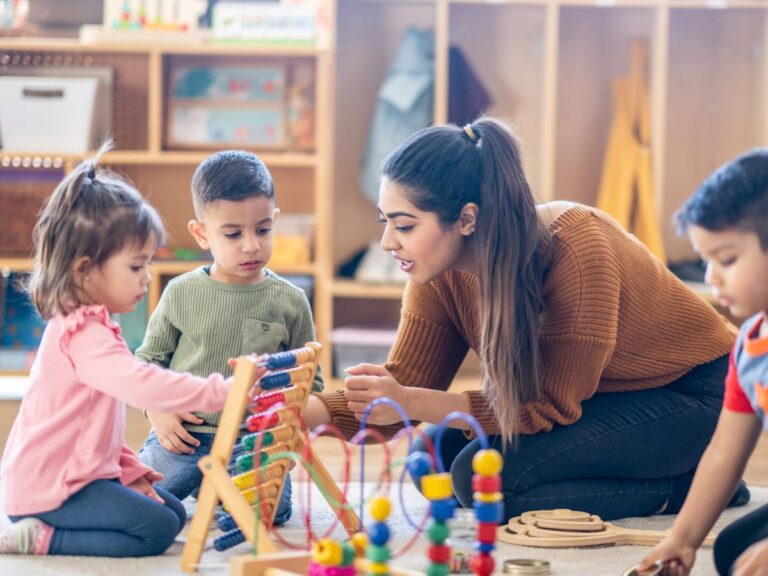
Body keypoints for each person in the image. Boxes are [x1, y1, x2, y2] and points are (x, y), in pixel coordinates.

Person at [304, 116, 748, 522]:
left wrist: (412, 401)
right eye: (385, 222)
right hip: (604, 396)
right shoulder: (437, 272)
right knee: (433, 458)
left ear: (466, 219)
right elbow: (404, 384)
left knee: (485, 485)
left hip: (698, 396)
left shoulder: (577, 251)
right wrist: (305, 412)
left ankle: (691, 488)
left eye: (404, 226)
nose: (386, 243)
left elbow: (547, 405)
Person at [0, 143, 261, 557]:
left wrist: (129, 469)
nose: (146, 278)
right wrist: (222, 391)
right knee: (156, 531)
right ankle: (39, 537)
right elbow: (143, 385)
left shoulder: (96, 321)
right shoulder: (82, 334)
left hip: (79, 475)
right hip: (51, 489)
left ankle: (62, 521)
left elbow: (90, 426)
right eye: (136, 267)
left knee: (173, 514)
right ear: (85, 270)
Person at [137, 150, 323, 526]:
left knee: (268, 514)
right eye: (233, 234)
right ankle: (206, 484)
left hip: (252, 443)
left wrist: (280, 426)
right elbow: (145, 364)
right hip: (184, 436)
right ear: (201, 233)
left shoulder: (291, 301)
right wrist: (158, 411)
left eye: (263, 229)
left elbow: (311, 383)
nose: (251, 245)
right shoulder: (180, 292)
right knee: (138, 503)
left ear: (275, 221)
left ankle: (216, 489)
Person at [636, 149, 768, 576]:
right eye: (706, 259)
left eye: (727, 260)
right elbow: (725, 452)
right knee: (732, 549)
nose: (711, 277)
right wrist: (683, 539)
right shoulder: (751, 346)